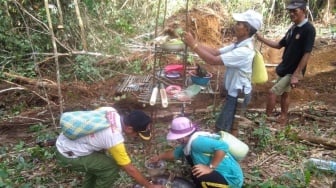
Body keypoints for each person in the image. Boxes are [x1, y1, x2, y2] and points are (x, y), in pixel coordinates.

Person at [183, 10, 263, 134]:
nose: (235, 25)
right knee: (228, 125)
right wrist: (194, 42)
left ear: (246, 29)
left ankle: (225, 149)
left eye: (239, 23)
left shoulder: (244, 51)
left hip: (238, 96)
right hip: (235, 93)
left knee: (223, 128)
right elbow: (215, 52)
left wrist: (193, 45)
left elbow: (213, 60)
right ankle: (226, 147)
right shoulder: (239, 45)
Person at [55, 107, 163, 188]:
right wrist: (151, 186)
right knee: (110, 168)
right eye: (136, 134)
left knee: (100, 162)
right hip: (69, 155)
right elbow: (130, 169)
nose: (135, 136)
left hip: (65, 142)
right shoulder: (114, 138)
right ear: (129, 128)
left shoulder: (110, 110)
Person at [256, 0, 316, 125]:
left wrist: (296, 74)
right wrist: (260, 38)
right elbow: (278, 45)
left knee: (272, 92)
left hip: (292, 71)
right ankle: (283, 117)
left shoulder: (308, 29)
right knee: (285, 93)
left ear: (303, 11)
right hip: (286, 68)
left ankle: (266, 120)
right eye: (290, 11)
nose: (291, 14)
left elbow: (307, 53)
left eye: (295, 11)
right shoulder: (293, 28)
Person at [150, 116, 244, 187]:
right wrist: (159, 157)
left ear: (183, 136)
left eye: (177, 138)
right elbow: (175, 153)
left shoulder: (197, 142)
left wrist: (210, 168)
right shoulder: (188, 143)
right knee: (196, 172)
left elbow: (223, 146)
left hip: (231, 179)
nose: (176, 140)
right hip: (222, 174)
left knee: (201, 176)